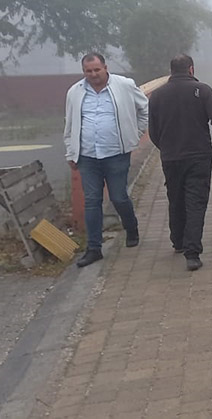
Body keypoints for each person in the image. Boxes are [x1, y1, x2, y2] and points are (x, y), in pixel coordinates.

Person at [64, 53, 148, 268]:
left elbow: (144, 109)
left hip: (116, 154)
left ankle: (131, 227)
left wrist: (136, 133)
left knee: (119, 197)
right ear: (83, 71)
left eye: (96, 70)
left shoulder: (124, 85)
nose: (93, 75)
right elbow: (70, 123)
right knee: (92, 201)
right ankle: (94, 248)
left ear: (105, 67)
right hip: (87, 156)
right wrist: (71, 152)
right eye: (88, 71)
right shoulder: (75, 92)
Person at [147, 54, 212, 271]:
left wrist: (165, 148)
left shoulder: (157, 95)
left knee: (175, 198)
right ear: (191, 69)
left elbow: (153, 131)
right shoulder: (203, 91)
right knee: (195, 202)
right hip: (199, 157)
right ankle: (192, 254)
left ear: (171, 71)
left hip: (171, 157)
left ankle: (178, 241)